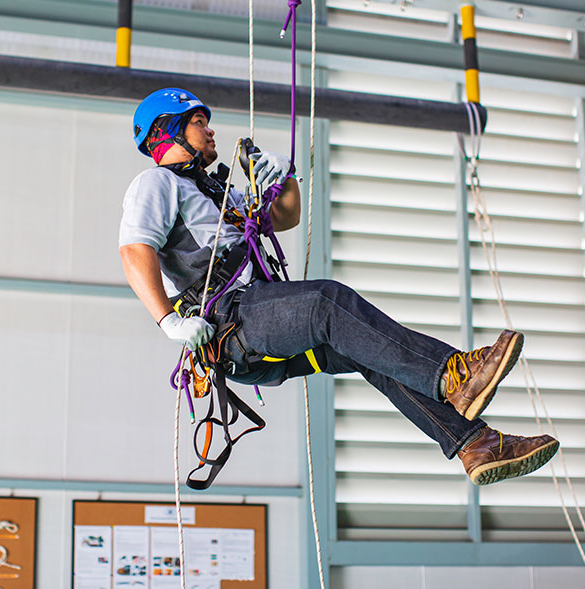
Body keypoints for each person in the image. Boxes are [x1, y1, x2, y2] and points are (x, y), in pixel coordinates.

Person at [119, 88, 559, 486]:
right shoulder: (156, 184)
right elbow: (134, 249)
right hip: (233, 322)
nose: (210, 128)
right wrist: (168, 320)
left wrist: (283, 177)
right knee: (328, 301)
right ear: (167, 129)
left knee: (371, 352)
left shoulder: (217, 192)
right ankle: (451, 373)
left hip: (258, 323)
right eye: (198, 121)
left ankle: (474, 445)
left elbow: (284, 217)